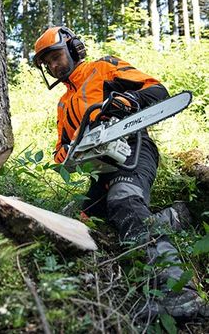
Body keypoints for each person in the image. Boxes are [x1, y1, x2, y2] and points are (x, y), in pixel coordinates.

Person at [33, 26, 208, 321]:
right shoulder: (64, 104)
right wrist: (72, 152)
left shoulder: (102, 67)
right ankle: (174, 218)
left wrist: (126, 103)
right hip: (99, 170)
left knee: (124, 201)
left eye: (55, 56)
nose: (52, 65)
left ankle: (181, 294)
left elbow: (157, 90)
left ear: (74, 49)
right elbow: (60, 149)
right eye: (46, 63)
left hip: (133, 147)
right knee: (85, 224)